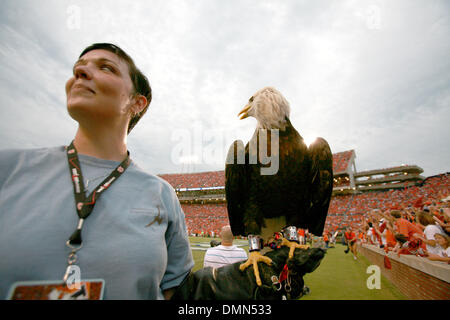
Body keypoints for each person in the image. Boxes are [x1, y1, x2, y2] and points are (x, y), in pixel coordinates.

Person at [0, 43, 194, 300]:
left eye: (106, 67)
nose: (80, 72)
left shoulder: (162, 194)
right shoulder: (8, 168)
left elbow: (175, 290)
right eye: (78, 67)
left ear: (137, 102)